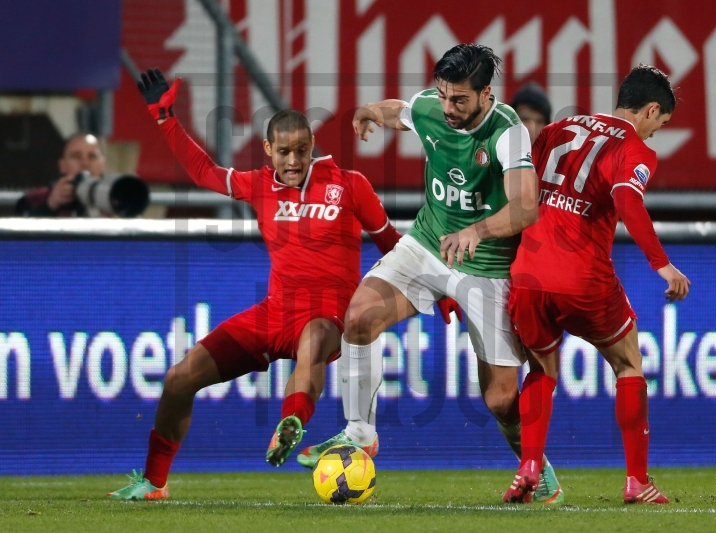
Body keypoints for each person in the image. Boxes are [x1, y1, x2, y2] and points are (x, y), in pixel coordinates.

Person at [107, 68, 459, 500]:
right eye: (284, 152)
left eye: (302, 151)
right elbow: (204, 172)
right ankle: (153, 483)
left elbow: (394, 244)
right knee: (180, 378)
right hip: (272, 314)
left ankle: (291, 421)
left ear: (312, 148)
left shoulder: (350, 186)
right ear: (268, 150)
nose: (293, 162)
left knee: (313, 346)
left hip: (329, 315)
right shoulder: (258, 185)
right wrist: (165, 118)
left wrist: (438, 290)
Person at [297, 44, 564, 504]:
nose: (448, 108)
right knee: (359, 317)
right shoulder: (431, 108)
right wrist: (368, 112)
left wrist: (477, 230)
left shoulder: (508, 132)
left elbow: (525, 206)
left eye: (459, 100)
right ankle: (360, 433)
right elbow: (400, 110)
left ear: (486, 95)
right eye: (443, 96)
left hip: (487, 267)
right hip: (427, 244)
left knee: (501, 400)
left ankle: (536, 472)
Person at [496, 65, 690, 504]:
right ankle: (637, 481)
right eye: (661, 122)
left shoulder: (558, 127)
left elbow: (517, 184)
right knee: (628, 363)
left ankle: (529, 466)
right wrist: (662, 265)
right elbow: (627, 200)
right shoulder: (634, 148)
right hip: (581, 275)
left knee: (541, 371)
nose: (657, 132)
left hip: (527, 274)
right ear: (651, 109)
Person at [14, 133, 106, 216]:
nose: (85, 163)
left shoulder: (114, 198)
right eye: (76, 156)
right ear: (62, 165)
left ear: (103, 164)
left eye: (92, 156)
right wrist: (50, 205)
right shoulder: (35, 200)